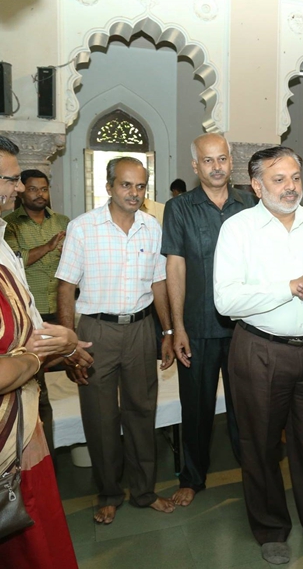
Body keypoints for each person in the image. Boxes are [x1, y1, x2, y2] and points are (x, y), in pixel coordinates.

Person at [214, 146, 303, 565]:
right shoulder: (238, 229)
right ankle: (270, 528)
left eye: (295, 177)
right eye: (279, 179)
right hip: (259, 351)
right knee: (259, 444)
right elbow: (227, 299)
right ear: (256, 186)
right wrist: (292, 287)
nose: (291, 187)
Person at [56, 156, 176, 525]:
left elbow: (159, 284)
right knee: (100, 416)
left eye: (140, 186)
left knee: (142, 411)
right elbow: (65, 287)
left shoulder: (152, 228)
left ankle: (144, 491)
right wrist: (69, 344)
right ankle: (109, 493)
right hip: (96, 332)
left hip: (141, 330)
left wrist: (168, 331)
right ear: (109, 187)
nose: (134, 193)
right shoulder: (83, 228)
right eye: (126, 185)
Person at [0, 133, 92, 568]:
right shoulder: (17, 230)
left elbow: (24, 313)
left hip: (22, 415)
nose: (20, 189)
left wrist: (65, 343)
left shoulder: (3, 237)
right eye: (11, 179)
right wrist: (38, 357)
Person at [162, 133, 256, 507]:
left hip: (244, 327)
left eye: (222, 159)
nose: (216, 167)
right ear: (195, 165)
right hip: (197, 327)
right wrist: (177, 327)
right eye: (208, 160)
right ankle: (192, 478)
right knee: (196, 408)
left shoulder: (250, 204)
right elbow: (175, 268)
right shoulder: (180, 208)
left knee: (246, 407)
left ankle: (254, 473)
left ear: (231, 161)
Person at [4, 168, 70, 453]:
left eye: (44, 189)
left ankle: (68, 443)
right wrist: (49, 246)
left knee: (71, 374)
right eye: (32, 189)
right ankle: (37, 454)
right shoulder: (10, 225)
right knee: (36, 388)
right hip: (31, 319)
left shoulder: (62, 221)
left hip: (60, 311)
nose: (39, 194)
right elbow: (16, 262)